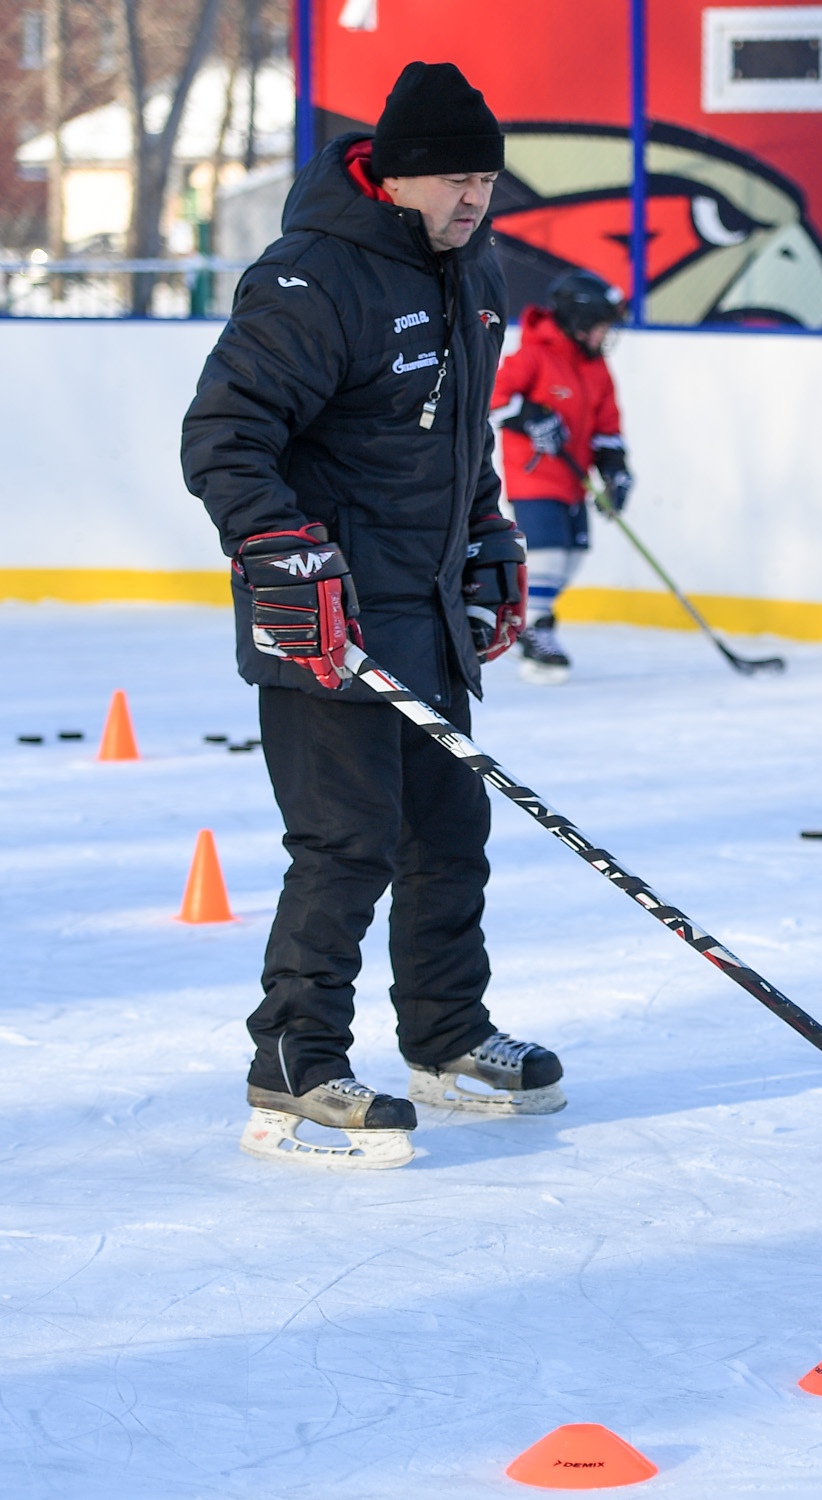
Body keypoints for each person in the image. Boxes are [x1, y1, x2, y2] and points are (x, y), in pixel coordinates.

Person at [183, 61, 567, 1170]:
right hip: (325, 618)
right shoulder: (311, 280)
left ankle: (445, 1041)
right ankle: (294, 1065)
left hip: (425, 611)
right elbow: (223, 436)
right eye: (452, 178)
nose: (473, 200)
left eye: (484, 180)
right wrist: (283, 551)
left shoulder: (472, 270)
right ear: (393, 177)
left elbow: (457, 441)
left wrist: (487, 538)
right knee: (344, 845)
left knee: (448, 836)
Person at [490, 268, 633, 684]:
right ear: (579, 321)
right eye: (601, 326)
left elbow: (608, 426)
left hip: (573, 480)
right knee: (549, 552)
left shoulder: (596, 368)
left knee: (572, 555)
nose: (605, 336)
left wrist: (615, 468)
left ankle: (535, 623)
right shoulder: (534, 356)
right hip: (535, 477)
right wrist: (531, 416)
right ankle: (530, 630)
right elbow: (492, 398)